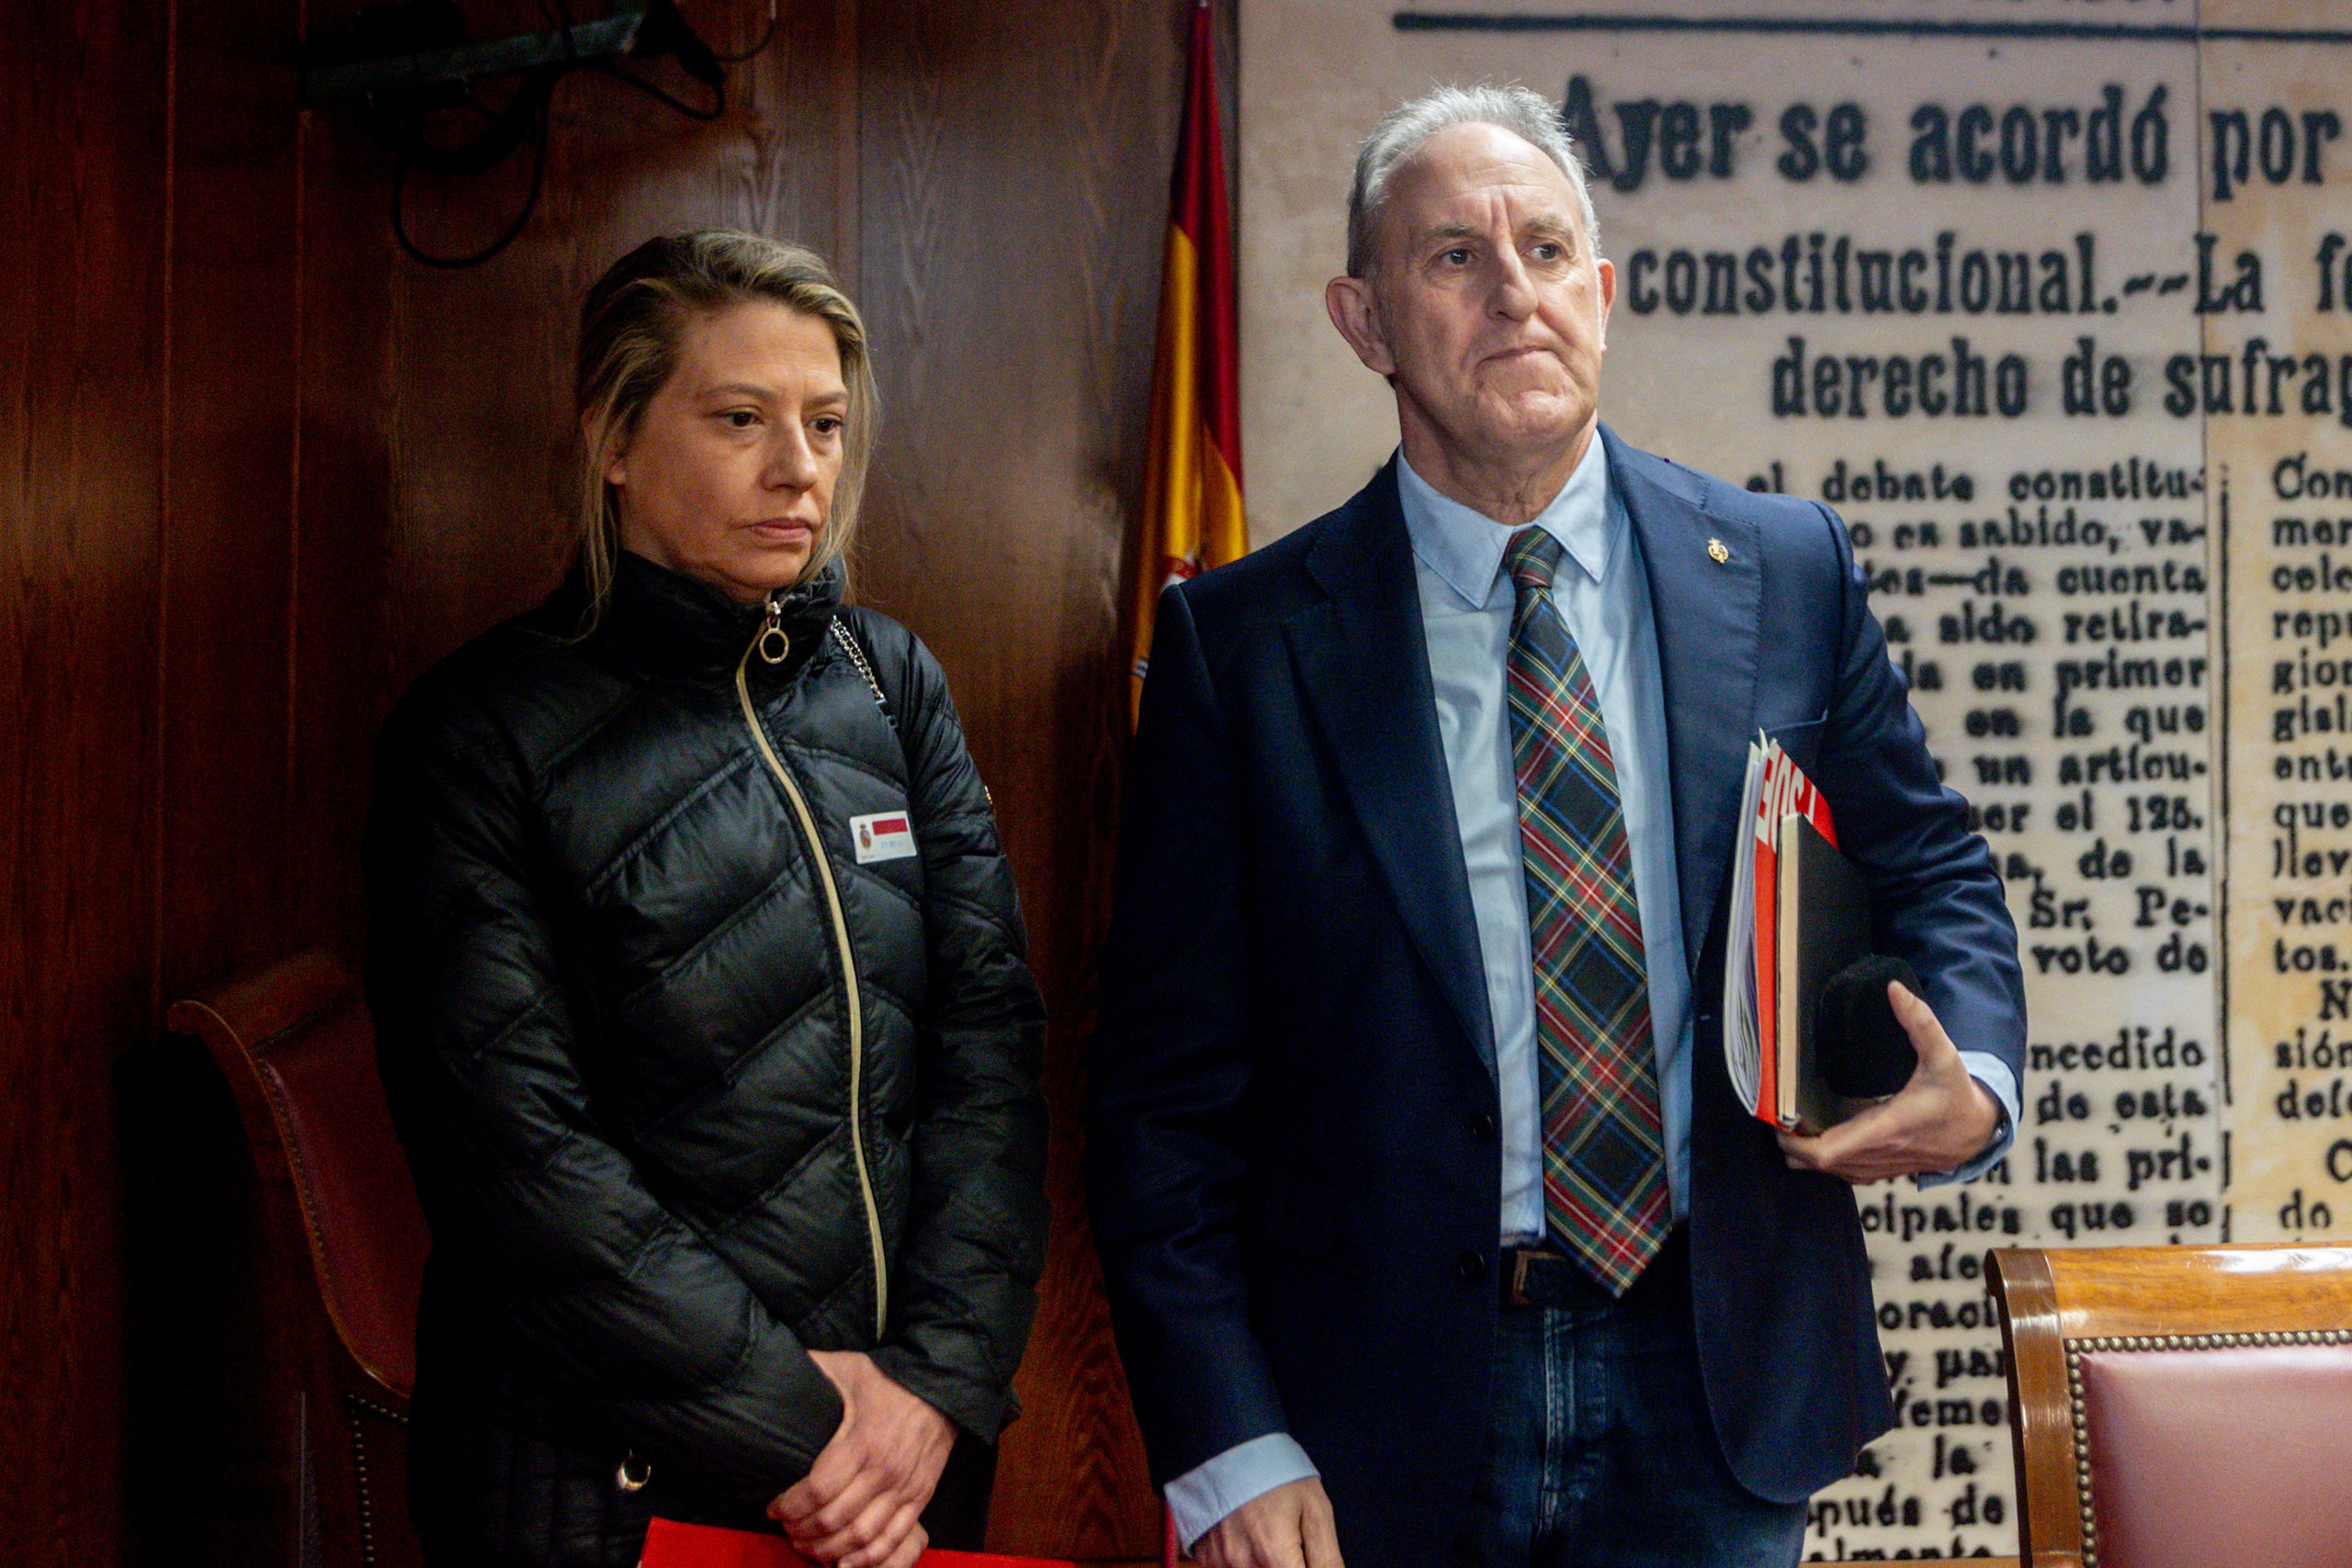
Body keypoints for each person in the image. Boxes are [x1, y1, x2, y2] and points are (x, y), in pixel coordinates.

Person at [1087, 86, 2025, 1568]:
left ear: (1602, 291)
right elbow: (1161, 1101)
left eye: (1543, 250)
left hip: (1716, 1380)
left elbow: (1935, 865)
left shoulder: (1785, 567)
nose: (1513, 293)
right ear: (1364, 320)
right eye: (1454, 258)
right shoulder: (1243, 645)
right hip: (1373, 1410)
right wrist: (1227, 1443)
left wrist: (1976, 1072)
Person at [366, 231, 1048, 1568]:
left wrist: (932, 1388)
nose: (799, 468)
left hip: (894, 1477)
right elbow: (520, 1161)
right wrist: (807, 1428)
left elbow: (991, 1050)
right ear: (612, 439)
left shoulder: (888, 682)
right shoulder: (479, 734)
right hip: (600, 1477)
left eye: (826, 423)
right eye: (741, 419)